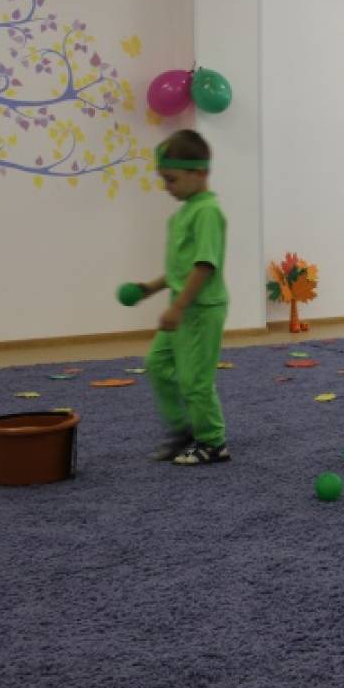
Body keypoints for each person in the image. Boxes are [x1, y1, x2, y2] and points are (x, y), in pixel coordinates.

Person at [130, 130, 231, 465]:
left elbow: (204, 266)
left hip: (200, 310)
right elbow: (181, 271)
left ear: (198, 173)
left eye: (171, 179)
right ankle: (182, 431)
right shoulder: (183, 213)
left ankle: (213, 442)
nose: (166, 187)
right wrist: (149, 288)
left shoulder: (207, 212)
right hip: (184, 307)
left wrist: (177, 306)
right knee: (157, 364)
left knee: (195, 380)